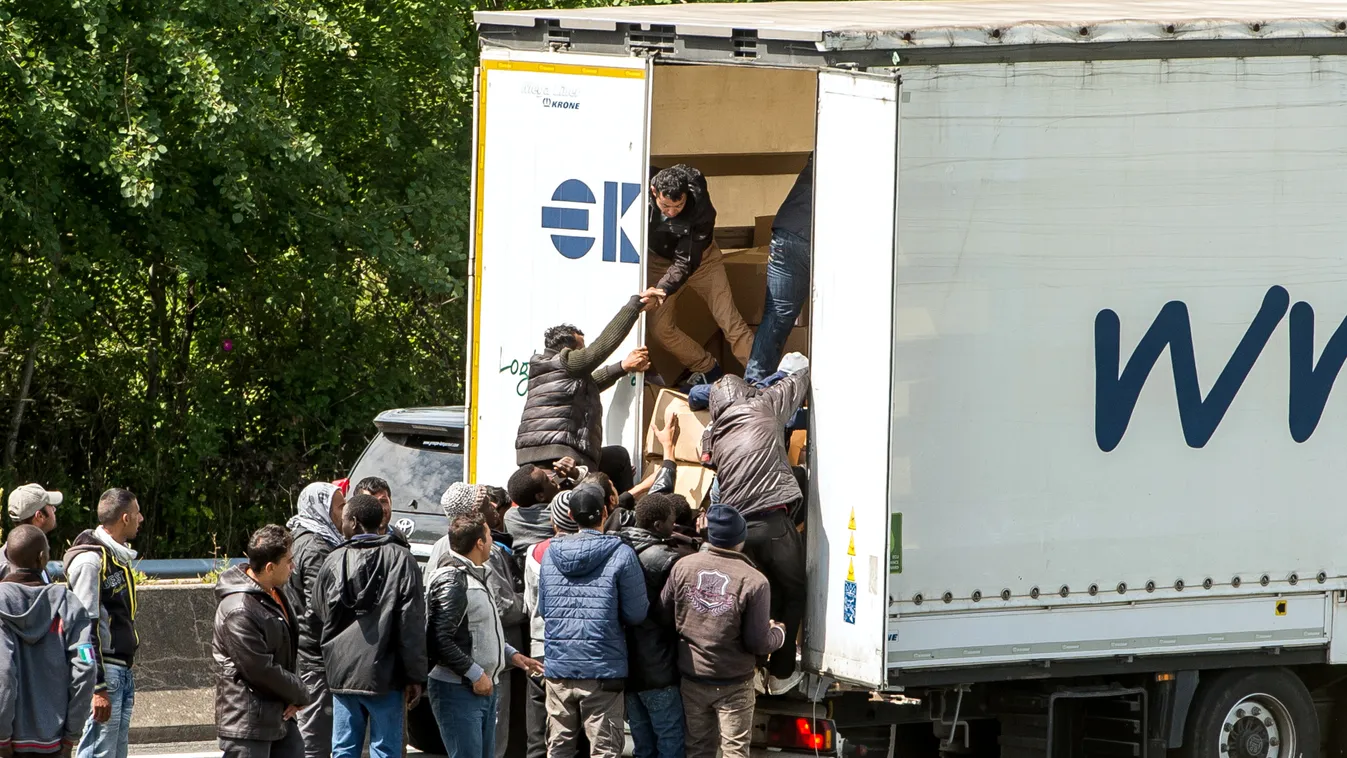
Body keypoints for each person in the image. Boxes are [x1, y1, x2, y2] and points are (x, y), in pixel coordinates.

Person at [702, 358, 811, 695]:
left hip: (740, 532)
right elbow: (799, 380)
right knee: (794, 592)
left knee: (759, 595)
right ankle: (780, 673)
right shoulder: (762, 406)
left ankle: (755, 668)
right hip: (773, 519)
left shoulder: (715, 436)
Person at [662, 506, 785, 758]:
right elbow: (758, 642)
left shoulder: (683, 567)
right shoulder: (754, 581)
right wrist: (779, 633)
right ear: (741, 538)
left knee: (697, 749)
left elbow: (664, 614)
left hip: (693, 677)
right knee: (735, 752)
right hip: (734, 684)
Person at [537, 484, 648, 758]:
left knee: (559, 747)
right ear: (606, 512)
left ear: (571, 515)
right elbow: (636, 613)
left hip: (559, 665)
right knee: (605, 750)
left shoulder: (550, 553)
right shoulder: (622, 553)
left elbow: (543, 607)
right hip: (602, 668)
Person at [313, 494, 427, 758]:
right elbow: (412, 623)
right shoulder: (401, 558)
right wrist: (415, 676)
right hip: (387, 673)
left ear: (353, 522)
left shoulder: (333, 560)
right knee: (386, 749)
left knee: (343, 749)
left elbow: (318, 611)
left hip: (342, 671)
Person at [426, 511, 543, 758]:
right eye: (489, 535)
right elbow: (438, 639)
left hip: (481, 688)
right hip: (460, 690)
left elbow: (478, 629)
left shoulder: (477, 573)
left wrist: (511, 655)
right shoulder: (452, 579)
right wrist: (476, 674)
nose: (492, 540)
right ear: (479, 542)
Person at [514, 293, 653, 482]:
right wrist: (635, 306)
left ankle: (617, 506)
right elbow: (602, 346)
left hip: (542, 453)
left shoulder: (549, 369)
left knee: (618, 458)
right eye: (582, 348)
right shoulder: (567, 362)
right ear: (569, 349)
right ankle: (620, 511)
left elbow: (589, 385)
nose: (585, 353)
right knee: (615, 463)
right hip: (558, 454)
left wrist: (623, 367)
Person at [644, 164, 754, 387]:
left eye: (679, 205)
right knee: (660, 329)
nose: (672, 212)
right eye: (665, 206)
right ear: (654, 191)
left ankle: (764, 381)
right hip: (659, 262)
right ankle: (706, 368)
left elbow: (686, 261)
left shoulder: (701, 207)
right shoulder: (639, 181)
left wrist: (662, 289)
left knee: (729, 321)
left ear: (686, 195)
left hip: (702, 260)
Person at [213, 525, 312, 758]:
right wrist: (299, 692)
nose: (293, 566)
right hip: (248, 722)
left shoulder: (272, 592)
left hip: (278, 714)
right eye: (289, 561)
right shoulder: (239, 608)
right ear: (270, 567)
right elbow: (259, 669)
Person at [0, 526, 96, 758]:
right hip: (53, 741)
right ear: (42, 558)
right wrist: (71, 736)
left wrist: (2, 737)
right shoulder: (69, 605)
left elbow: (4, 673)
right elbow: (86, 666)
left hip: (8, 743)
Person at [63, 488, 143, 758]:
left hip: (121, 670)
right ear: (124, 518)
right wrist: (96, 687)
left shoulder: (116, 557)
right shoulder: (91, 561)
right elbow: (84, 628)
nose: (140, 518)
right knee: (98, 751)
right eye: (136, 513)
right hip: (105, 672)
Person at [618, 496, 692, 758]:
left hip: (627, 667)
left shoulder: (617, 547)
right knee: (670, 742)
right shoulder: (664, 559)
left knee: (643, 746)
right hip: (658, 667)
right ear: (658, 524)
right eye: (672, 523)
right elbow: (674, 613)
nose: (675, 527)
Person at [282, 483, 345, 758]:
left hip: (305, 645)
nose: (345, 513)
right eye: (340, 507)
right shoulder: (317, 546)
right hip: (317, 651)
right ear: (322, 509)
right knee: (316, 731)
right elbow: (320, 607)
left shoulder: (301, 537)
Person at [745, 155, 813, 384]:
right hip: (817, 237)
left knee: (776, 318)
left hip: (786, 234)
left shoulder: (823, 148)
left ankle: (752, 389)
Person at [521, 493, 577, 758]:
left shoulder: (535, 552)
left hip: (540, 645)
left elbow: (530, 604)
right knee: (573, 729)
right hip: (577, 649)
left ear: (554, 523)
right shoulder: (593, 551)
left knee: (537, 723)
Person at [0, 483, 63, 579]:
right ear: (40, 516)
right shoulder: (6, 566)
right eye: (50, 505)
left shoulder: (35, 551)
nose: (54, 509)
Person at [502, 464, 566, 554]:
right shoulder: (561, 513)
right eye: (547, 479)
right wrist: (577, 475)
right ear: (541, 496)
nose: (553, 479)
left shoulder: (510, 517)